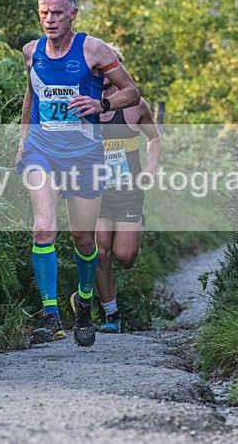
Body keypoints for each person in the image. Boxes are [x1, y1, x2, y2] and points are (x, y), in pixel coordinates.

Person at [15, 0, 140, 347]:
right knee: (43, 228)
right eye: (44, 12)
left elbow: (131, 92)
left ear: (72, 14)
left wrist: (102, 104)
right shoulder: (31, 52)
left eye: (57, 12)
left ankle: (84, 304)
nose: (49, 19)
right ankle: (50, 316)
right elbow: (31, 96)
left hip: (84, 156)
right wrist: (23, 142)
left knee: (84, 238)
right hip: (42, 151)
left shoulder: (94, 50)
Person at [94, 45, 162, 333]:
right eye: (97, 70)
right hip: (95, 193)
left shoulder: (136, 106)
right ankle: (111, 314)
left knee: (125, 257)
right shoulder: (84, 104)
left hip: (128, 193)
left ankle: (134, 226)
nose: (103, 75)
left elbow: (154, 138)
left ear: (118, 70)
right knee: (100, 252)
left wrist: (150, 167)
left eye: (108, 70)